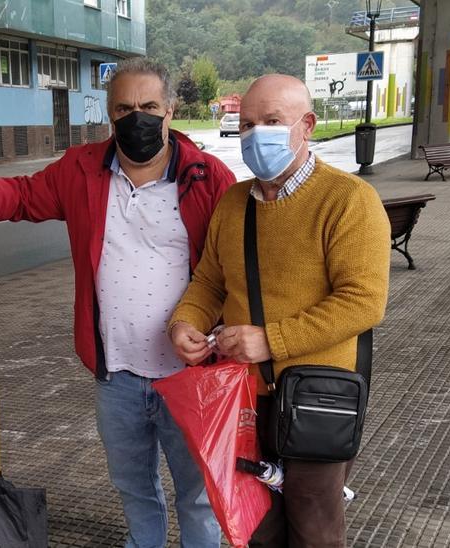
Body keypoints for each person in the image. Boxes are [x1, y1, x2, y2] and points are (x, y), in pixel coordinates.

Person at [0, 57, 237, 547]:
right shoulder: (81, 169)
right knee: (132, 485)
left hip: (191, 373)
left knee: (198, 492)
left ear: (170, 111)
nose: (137, 118)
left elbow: (233, 270)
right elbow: (25, 196)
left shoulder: (209, 178)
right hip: (117, 373)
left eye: (149, 106)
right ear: (109, 114)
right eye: (124, 108)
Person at [167, 74, 390, 548]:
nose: (254, 134)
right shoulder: (233, 203)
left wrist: (270, 339)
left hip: (316, 397)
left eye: (271, 121)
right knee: (257, 526)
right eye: (247, 123)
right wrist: (186, 321)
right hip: (243, 397)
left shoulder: (349, 200)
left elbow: (364, 301)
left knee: (313, 529)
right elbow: (210, 281)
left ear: (306, 125)